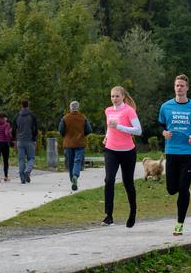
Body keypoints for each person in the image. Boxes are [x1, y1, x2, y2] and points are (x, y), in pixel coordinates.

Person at [160, 74, 191, 236]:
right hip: (171, 152)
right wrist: (164, 132)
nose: (179, 88)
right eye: (177, 86)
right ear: (174, 88)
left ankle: (179, 224)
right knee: (171, 189)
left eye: (182, 86)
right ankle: (186, 190)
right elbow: (160, 125)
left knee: (182, 188)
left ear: (187, 88)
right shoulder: (166, 106)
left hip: (188, 153)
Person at [102, 86, 142, 228]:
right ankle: (109, 216)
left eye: (117, 96)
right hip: (111, 150)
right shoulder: (108, 110)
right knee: (109, 180)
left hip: (127, 151)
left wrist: (119, 127)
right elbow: (109, 127)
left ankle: (132, 213)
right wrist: (107, 137)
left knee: (128, 182)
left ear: (123, 97)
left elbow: (138, 131)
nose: (114, 99)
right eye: (112, 96)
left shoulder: (129, 111)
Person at [59, 100, 93, 191]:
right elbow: (89, 130)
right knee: (77, 161)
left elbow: (61, 131)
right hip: (80, 143)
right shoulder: (83, 118)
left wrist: (66, 137)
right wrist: (82, 134)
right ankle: (75, 176)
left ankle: (72, 180)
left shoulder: (65, 118)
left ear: (70, 108)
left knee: (70, 162)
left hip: (68, 143)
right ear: (78, 108)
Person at [12, 99, 38, 184]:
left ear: (21, 105)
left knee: (21, 159)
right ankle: (27, 171)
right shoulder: (32, 116)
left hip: (20, 141)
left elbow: (13, 129)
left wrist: (14, 139)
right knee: (31, 158)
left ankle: (22, 178)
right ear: (28, 105)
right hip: (30, 140)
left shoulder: (16, 116)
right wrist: (34, 138)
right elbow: (35, 129)